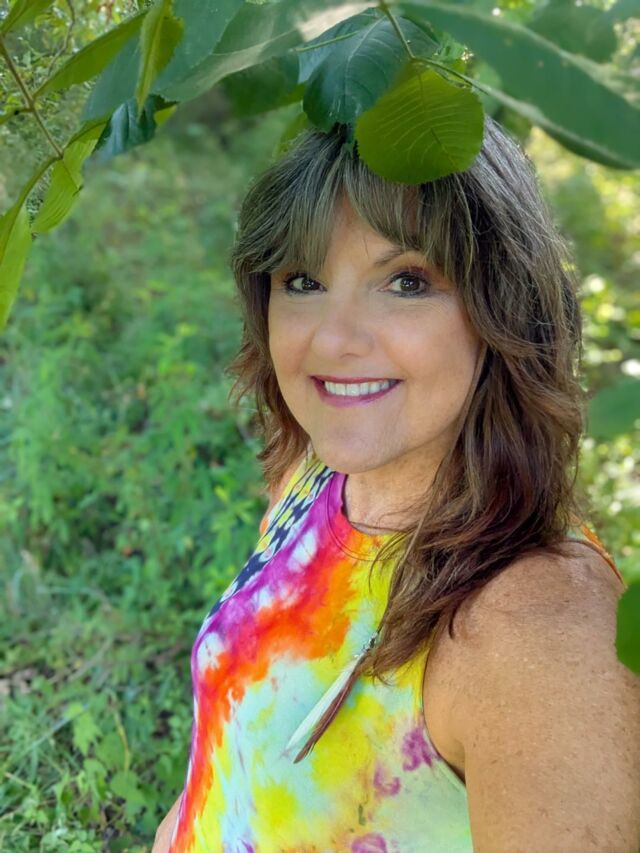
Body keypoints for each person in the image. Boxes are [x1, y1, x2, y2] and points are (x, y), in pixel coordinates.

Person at [153, 117, 640, 852]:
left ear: (504, 308)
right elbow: (231, 760)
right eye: (303, 281)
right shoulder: (319, 478)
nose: (334, 339)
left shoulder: (541, 636)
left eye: (406, 282)